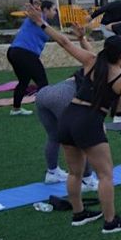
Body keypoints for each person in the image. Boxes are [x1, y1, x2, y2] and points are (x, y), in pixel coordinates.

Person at [25, 3, 121, 232]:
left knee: (75, 172)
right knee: (105, 175)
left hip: (68, 116)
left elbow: (64, 42)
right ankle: (111, 222)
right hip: (88, 121)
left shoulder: (92, 60)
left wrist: (40, 23)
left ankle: (79, 214)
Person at [35, 23, 96, 190]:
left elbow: (89, 52)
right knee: (81, 139)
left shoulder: (95, 62)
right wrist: (41, 23)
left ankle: (52, 173)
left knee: (54, 136)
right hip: (64, 96)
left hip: (44, 94)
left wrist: (81, 38)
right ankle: (87, 180)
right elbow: (64, 42)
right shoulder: (108, 70)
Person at [6, 0, 56, 115]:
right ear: (46, 10)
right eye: (54, 10)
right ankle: (47, 110)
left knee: (24, 81)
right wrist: (34, 7)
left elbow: (58, 36)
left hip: (14, 52)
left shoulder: (44, 24)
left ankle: (16, 109)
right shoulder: (38, 18)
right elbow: (34, 14)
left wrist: (80, 38)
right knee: (42, 82)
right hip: (24, 53)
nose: (55, 12)